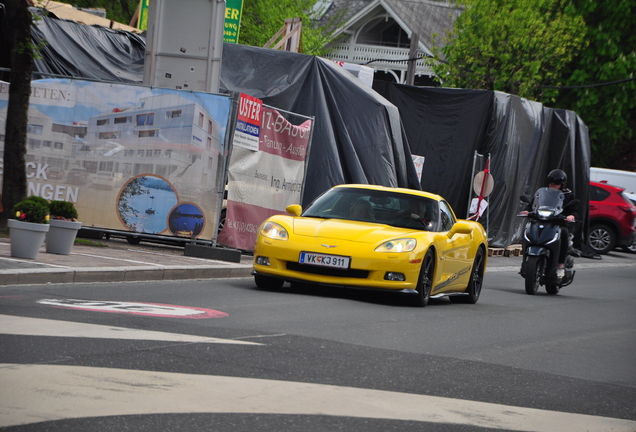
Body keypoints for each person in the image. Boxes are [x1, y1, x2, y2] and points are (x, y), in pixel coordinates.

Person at [521, 169, 577, 279]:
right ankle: (526, 263)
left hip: (559, 223)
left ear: (561, 185)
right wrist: (527, 210)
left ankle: (560, 265)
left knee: (564, 233)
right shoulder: (543, 193)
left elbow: (574, 210)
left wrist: (571, 216)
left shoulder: (568, 195)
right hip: (542, 220)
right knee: (529, 228)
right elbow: (533, 204)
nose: (553, 186)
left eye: (556, 184)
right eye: (551, 183)